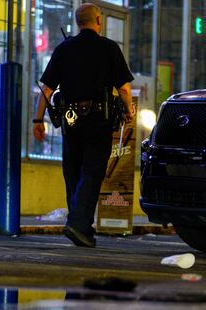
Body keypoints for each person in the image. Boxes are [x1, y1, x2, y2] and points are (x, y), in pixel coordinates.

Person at [32, 3, 135, 248]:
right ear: (98, 20)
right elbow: (123, 88)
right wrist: (129, 111)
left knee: (73, 172)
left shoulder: (63, 49)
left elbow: (46, 90)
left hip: (70, 121)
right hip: (98, 120)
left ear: (78, 22)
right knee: (92, 172)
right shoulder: (109, 48)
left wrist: (38, 120)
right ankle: (78, 224)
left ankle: (81, 228)